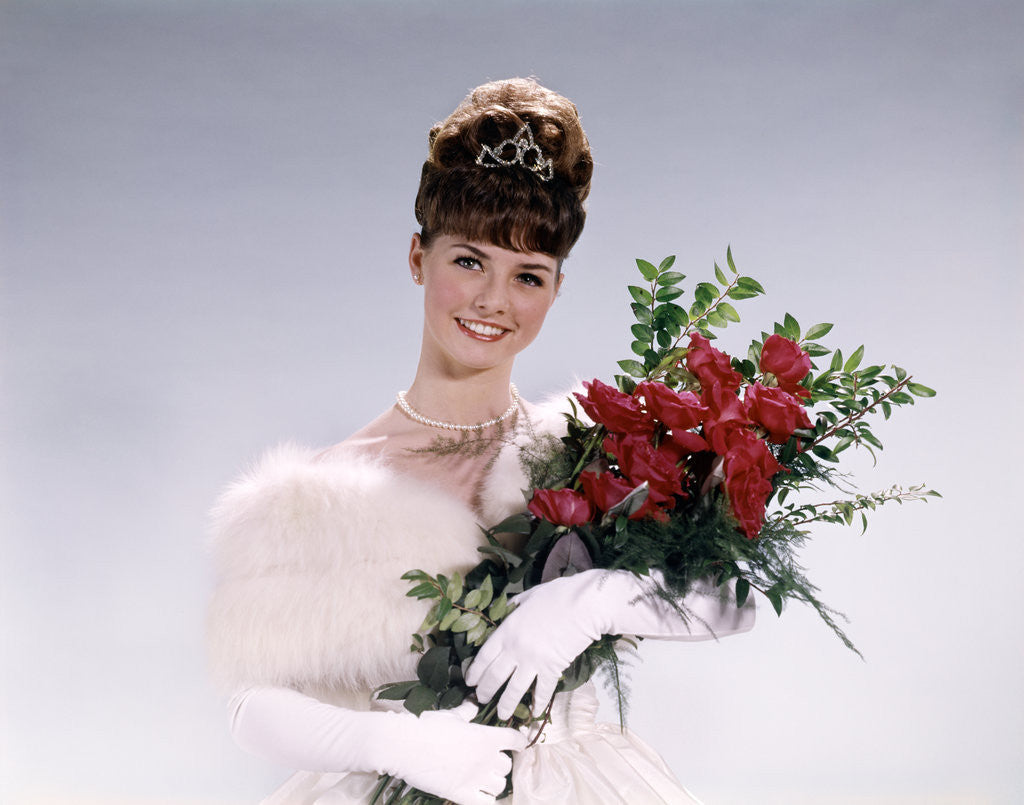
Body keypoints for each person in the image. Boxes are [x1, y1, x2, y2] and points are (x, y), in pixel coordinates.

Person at [207, 78, 755, 805]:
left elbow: (733, 600)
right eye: (469, 260)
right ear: (416, 257)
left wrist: (596, 598)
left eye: (527, 274)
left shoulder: (591, 448)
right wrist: (392, 741)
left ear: (556, 288)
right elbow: (251, 707)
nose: (494, 300)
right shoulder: (319, 496)